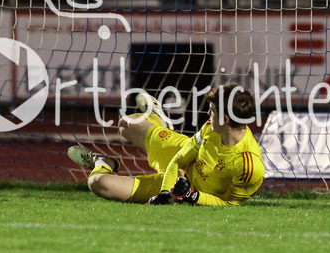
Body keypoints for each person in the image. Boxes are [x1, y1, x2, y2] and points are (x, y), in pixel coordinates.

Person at [68, 86, 265, 205]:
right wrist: (164, 192)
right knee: (126, 124)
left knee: (98, 184)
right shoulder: (211, 128)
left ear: (224, 118)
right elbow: (180, 159)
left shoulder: (249, 166)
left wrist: (191, 196)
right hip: (180, 160)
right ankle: (161, 122)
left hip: (187, 193)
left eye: (211, 111)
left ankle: (103, 162)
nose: (207, 114)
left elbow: (229, 203)